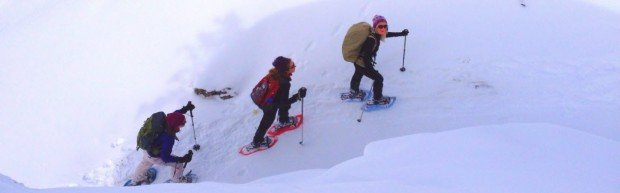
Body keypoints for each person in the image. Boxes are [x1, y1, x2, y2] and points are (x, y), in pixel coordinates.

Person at [129, 102, 195, 185]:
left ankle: (136, 180)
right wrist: (182, 159)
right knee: (179, 165)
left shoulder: (164, 120)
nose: (181, 127)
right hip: (155, 157)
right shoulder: (168, 138)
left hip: (147, 148)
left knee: (145, 162)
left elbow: (175, 114)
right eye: (180, 125)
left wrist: (185, 109)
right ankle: (178, 181)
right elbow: (165, 158)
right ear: (175, 125)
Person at [249, 56, 306, 150]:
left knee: (279, 106)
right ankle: (257, 141)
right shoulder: (284, 83)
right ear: (286, 70)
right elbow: (284, 103)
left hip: (266, 100)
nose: (295, 66)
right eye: (292, 66)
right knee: (267, 121)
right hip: (269, 105)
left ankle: (283, 120)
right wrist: (299, 95)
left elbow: (282, 100)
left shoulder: (274, 74)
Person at [350, 15, 409, 104]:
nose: (383, 28)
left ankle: (354, 91)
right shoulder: (371, 40)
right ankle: (377, 99)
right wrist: (371, 70)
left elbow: (386, 34)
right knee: (378, 78)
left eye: (385, 26)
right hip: (362, 63)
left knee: (358, 74)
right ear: (375, 27)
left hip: (358, 62)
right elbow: (366, 58)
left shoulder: (376, 34)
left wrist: (401, 33)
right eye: (380, 26)